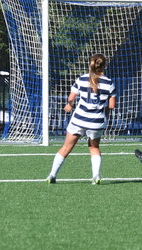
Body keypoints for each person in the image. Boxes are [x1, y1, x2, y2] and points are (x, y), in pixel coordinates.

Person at [46, 54, 116, 185]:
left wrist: (69, 105)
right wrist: (105, 112)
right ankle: (96, 176)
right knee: (94, 148)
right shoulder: (109, 83)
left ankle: (52, 174)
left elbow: (71, 98)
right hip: (97, 122)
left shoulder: (82, 79)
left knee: (66, 148)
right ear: (104, 66)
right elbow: (112, 105)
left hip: (79, 120)